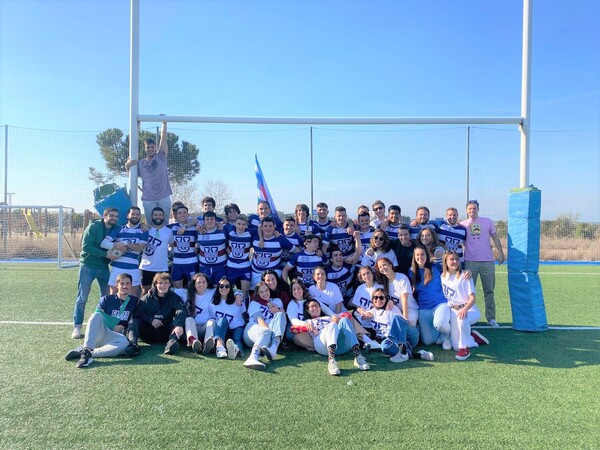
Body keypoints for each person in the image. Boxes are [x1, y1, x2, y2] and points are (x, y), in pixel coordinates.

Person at [65, 273, 139, 368]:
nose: (125, 286)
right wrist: (114, 324)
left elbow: (136, 319)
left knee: (124, 343)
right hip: (101, 332)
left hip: (115, 337)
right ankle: (87, 349)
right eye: (122, 283)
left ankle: (85, 353)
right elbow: (98, 315)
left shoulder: (134, 301)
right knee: (95, 315)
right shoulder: (107, 299)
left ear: (131, 285)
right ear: (117, 285)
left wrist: (124, 326)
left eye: (127, 283)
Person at [71, 207, 120, 339]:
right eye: (111, 216)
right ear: (104, 216)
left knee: (106, 298)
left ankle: (102, 326)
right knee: (82, 297)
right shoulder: (93, 227)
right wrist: (106, 254)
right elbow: (86, 246)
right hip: (88, 266)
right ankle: (77, 326)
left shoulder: (117, 229)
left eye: (116, 216)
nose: (114, 219)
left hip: (104, 267)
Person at [460, 200, 505, 328]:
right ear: (466, 210)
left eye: (474, 208)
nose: (472, 210)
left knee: (489, 291)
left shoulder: (487, 222)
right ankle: (467, 317)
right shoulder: (462, 225)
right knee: (468, 293)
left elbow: (495, 237)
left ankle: (491, 318)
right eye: (469, 208)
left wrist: (501, 253)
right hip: (470, 262)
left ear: (478, 209)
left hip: (487, 262)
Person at [360, 288, 434, 363]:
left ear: (386, 299)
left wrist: (406, 320)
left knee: (396, 318)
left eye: (381, 297)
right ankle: (414, 354)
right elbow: (359, 323)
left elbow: (400, 323)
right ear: (372, 299)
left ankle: (403, 351)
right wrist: (363, 315)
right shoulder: (370, 313)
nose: (378, 299)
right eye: (376, 297)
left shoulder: (392, 308)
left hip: (408, 335)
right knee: (385, 347)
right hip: (392, 341)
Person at [300, 299, 370, 375]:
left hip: (340, 346)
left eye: (316, 306)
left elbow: (346, 315)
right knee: (332, 325)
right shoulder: (307, 322)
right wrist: (308, 327)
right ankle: (331, 361)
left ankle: (358, 356)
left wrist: (338, 319)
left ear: (320, 308)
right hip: (321, 344)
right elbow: (294, 328)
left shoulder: (329, 318)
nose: (315, 308)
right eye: (312, 307)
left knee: (344, 320)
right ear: (307, 310)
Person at [440, 251, 489, 360]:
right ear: (445, 262)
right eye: (451, 259)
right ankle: (472, 337)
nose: (454, 261)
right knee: (455, 347)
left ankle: (465, 348)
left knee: (461, 318)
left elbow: (473, 298)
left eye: (456, 259)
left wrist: (465, 309)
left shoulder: (465, 275)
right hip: (453, 310)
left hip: (469, 309)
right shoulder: (443, 276)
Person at [125, 121, 172, 224]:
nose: (150, 149)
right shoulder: (141, 163)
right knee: (150, 225)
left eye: (152, 147)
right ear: (145, 148)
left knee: (164, 225)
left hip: (164, 196)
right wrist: (127, 167)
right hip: (149, 199)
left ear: (155, 147)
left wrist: (164, 123)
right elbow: (132, 177)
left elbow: (163, 137)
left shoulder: (161, 156)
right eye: (148, 147)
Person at [128, 272, 187, 355]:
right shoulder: (146, 298)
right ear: (155, 284)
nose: (163, 286)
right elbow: (138, 314)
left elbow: (181, 311)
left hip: (165, 332)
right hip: (148, 332)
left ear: (170, 284)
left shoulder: (175, 297)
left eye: (166, 283)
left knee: (177, 323)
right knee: (133, 322)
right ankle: (132, 345)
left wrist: (178, 325)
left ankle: (172, 343)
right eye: (160, 283)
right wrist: (151, 320)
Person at [408, 246, 452, 349]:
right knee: (428, 341)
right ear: (414, 257)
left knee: (439, 324)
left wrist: (466, 270)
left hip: (440, 303)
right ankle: (441, 330)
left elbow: (454, 268)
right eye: (417, 255)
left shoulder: (436, 267)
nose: (420, 257)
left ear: (427, 256)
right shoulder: (411, 272)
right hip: (424, 307)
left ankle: (448, 335)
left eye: (422, 254)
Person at [101, 206, 148, 298]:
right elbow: (104, 243)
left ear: (140, 216)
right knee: (113, 294)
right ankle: (113, 312)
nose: (135, 216)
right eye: (133, 214)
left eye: (138, 214)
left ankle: (131, 313)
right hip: (117, 266)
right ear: (127, 215)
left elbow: (139, 248)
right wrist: (116, 247)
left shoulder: (143, 230)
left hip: (133, 267)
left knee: (133, 296)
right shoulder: (119, 229)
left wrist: (125, 243)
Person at [374, 257, 419, 347]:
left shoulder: (401, 278)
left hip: (409, 310)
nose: (383, 268)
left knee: (405, 328)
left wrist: (405, 319)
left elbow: (404, 300)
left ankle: (416, 332)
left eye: (384, 265)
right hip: (396, 310)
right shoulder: (384, 282)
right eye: (380, 267)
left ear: (390, 265)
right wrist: (390, 301)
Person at [243, 281, 287, 370]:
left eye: (266, 290)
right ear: (258, 293)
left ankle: (273, 349)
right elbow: (260, 321)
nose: (265, 293)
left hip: (270, 336)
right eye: (261, 292)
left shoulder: (277, 301)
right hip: (253, 331)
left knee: (280, 315)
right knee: (265, 331)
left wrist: (277, 311)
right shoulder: (254, 303)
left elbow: (283, 316)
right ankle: (252, 357)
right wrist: (270, 333)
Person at [249, 216, 294, 289]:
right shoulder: (255, 237)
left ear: (274, 227)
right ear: (262, 228)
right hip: (255, 273)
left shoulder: (280, 239)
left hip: (274, 274)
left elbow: (296, 250)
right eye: (265, 226)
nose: (268, 228)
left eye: (270, 226)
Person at [207, 278, 246, 359]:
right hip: (222, 329)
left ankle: (236, 350)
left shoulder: (238, 301)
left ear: (230, 287)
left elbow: (243, 314)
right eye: (221, 286)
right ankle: (219, 347)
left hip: (236, 327)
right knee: (222, 319)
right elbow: (213, 317)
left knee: (237, 339)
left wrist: (238, 295)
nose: (224, 288)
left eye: (227, 286)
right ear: (218, 287)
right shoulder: (212, 303)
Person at [139, 207, 174, 295]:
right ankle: (143, 308)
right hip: (146, 266)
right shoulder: (146, 229)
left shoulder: (169, 231)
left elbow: (172, 246)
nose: (158, 217)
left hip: (162, 267)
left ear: (163, 217)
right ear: (151, 217)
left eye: (160, 215)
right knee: (144, 291)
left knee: (162, 292)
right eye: (155, 215)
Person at [349, 266, 383, 351]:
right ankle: (369, 343)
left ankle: (367, 342)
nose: (366, 276)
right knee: (348, 321)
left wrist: (370, 313)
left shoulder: (379, 287)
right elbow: (357, 306)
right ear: (361, 277)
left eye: (368, 273)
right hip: (360, 318)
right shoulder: (360, 288)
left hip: (373, 320)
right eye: (363, 274)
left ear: (372, 274)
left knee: (360, 335)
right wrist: (363, 312)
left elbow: (382, 305)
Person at [181, 273, 216, 354]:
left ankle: (208, 343)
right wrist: (153, 289)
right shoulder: (186, 293)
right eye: (198, 282)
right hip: (193, 327)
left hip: (205, 327)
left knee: (212, 321)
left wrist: (238, 294)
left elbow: (232, 291)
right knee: (189, 319)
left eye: (204, 282)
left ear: (207, 283)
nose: (201, 284)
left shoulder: (212, 292)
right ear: (194, 284)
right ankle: (194, 342)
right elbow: (171, 289)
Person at [167, 205, 198, 289]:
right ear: (176, 215)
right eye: (179, 213)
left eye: (184, 212)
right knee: (178, 288)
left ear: (188, 214)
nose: (182, 215)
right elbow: (158, 228)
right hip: (177, 262)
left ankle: (190, 302)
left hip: (191, 262)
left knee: (191, 288)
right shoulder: (172, 227)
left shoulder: (194, 227)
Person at [225, 214, 253, 299]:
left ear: (246, 225)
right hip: (231, 266)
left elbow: (260, 228)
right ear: (235, 224)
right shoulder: (229, 230)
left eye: (243, 224)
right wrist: (227, 249)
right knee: (228, 291)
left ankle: (245, 311)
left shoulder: (250, 232)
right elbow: (222, 240)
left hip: (245, 267)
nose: (241, 226)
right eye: (239, 224)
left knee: (245, 292)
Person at [196, 210, 227, 284]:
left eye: (212, 219)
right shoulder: (198, 232)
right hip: (204, 267)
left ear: (216, 221)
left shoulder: (223, 231)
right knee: (206, 288)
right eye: (207, 219)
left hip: (220, 267)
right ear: (203, 221)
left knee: (219, 289)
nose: (210, 221)